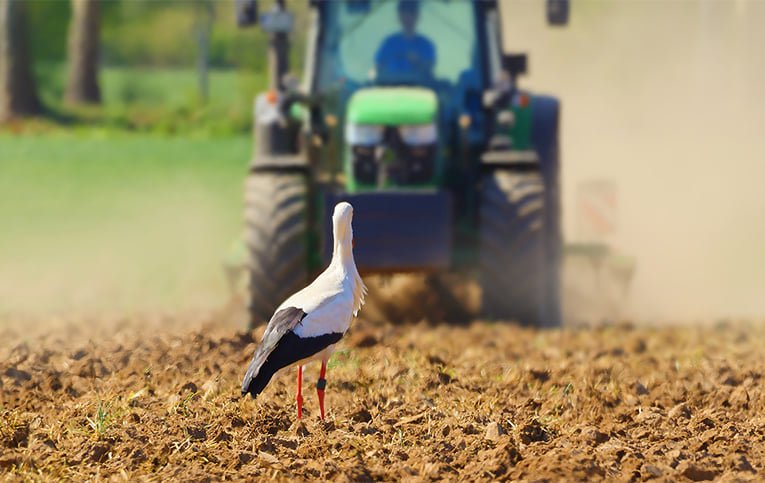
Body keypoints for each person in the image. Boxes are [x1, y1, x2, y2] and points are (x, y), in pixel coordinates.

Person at [374, 0, 436, 83]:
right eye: (404, 14)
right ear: (399, 16)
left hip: (417, 88)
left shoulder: (426, 44)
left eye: (410, 14)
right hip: (390, 87)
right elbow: (378, 66)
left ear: (417, 16)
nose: (407, 18)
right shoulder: (389, 42)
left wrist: (418, 62)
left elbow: (429, 70)